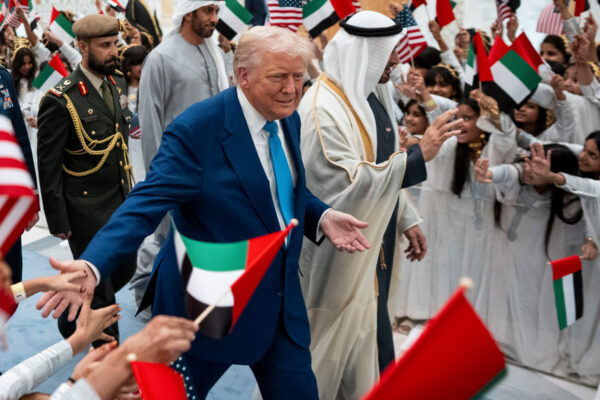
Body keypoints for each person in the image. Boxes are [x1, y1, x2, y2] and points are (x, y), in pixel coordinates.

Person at [35, 26, 370, 399]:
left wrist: (321, 216)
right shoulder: (197, 129)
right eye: (278, 77)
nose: (291, 89)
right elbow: (145, 202)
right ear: (243, 75)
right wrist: (93, 264)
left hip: (277, 303)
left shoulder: (287, 116)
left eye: (297, 76)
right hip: (204, 307)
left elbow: (280, 190)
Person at [297, 11, 461, 398]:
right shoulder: (323, 109)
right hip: (338, 257)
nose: (395, 60)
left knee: (370, 347)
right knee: (327, 356)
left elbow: (380, 161)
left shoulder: (367, 95)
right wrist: (420, 155)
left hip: (373, 247)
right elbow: (347, 181)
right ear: (365, 53)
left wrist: (406, 217)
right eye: (388, 52)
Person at [36, 14, 135, 345]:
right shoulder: (61, 99)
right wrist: (58, 219)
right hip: (84, 209)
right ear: (82, 46)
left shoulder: (116, 83)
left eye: (114, 44)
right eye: (104, 45)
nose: (113, 52)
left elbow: (121, 140)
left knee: (127, 267)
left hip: (119, 201)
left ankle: (73, 310)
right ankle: (108, 354)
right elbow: (48, 165)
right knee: (103, 288)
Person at [132, 0, 231, 317]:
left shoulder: (213, 52)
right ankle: (152, 305)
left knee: (205, 242)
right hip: (176, 172)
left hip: (214, 172)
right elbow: (150, 125)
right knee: (166, 241)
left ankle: (202, 312)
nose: (214, 19)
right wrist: (159, 181)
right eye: (208, 11)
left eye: (216, 12)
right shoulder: (160, 58)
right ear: (189, 13)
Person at [0, 63, 37, 284]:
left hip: (7, 194)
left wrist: (31, 193)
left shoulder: (3, 78)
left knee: (11, 278)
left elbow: (20, 138)